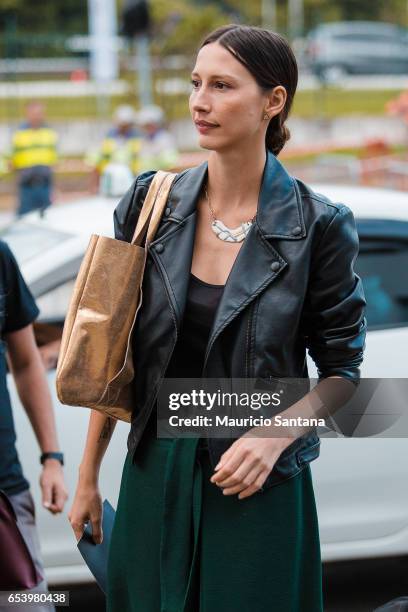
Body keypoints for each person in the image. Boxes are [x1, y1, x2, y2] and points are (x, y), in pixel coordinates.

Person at [68, 24, 367, 611]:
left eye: (223, 86)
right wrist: (87, 477)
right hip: (154, 466)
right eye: (196, 83)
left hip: (254, 477)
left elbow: (343, 372)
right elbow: (116, 355)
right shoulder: (151, 202)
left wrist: (274, 435)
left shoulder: (320, 224)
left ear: (272, 101)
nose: (199, 102)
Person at [0, 239, 68, 612]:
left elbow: (26, 364)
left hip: (5, 495)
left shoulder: (0, 256)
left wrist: (52, 458)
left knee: (29, 604)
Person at [10, 101, 58, 218]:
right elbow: (12, 162)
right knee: (24, 220)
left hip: (45, 185)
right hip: (26, 186)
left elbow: (53, 162)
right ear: (27, 114)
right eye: (33, 113)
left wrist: (55, 188)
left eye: (39, 113)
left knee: (47, 219)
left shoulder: (49, 133)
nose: (36, 116)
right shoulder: (19, 134)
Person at [89, 105, 143, 179]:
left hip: (133, 179)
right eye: (122, 124)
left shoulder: (138, 140)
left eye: (126, 125)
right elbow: (95, 164)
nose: (124, 127)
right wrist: (94, 187)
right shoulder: (107, 140)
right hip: (108, 179)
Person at [135, 104, 179, 173]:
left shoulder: (165, 139)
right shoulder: (144, 140)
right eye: (145, 126)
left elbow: (170, 164)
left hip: (161, 179)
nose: (147, 128)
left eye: (149, 125)